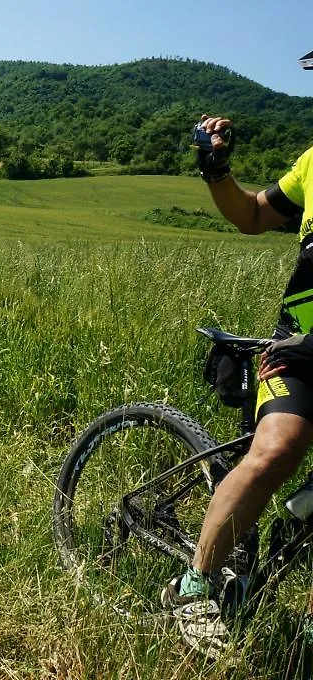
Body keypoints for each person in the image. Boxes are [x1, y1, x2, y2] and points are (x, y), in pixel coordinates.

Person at [161, 53, 313, 659]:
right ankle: (194, 586)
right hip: (301, 347)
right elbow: (253, 215)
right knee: (278, 449)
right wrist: (215, 169)